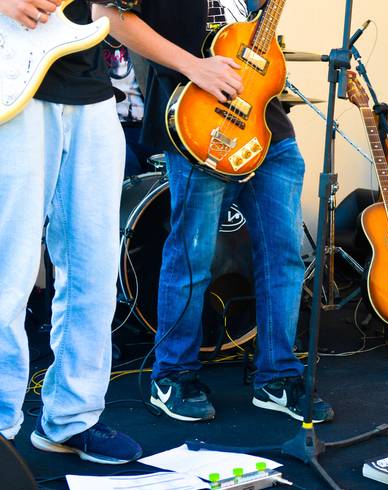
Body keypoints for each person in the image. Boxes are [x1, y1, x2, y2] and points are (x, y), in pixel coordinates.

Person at [93, 0, 334, 423]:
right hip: (197, 118)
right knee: (193, 257)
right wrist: (194, 67)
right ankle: (173, 376)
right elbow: (105, 14)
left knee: (284, 257)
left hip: (267, 124)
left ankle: (278, 376)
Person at [0, 0, 142, 463]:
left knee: (93, 268)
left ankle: (72, 417)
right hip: (13, 85)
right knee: (9, 271)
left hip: (90, 89)